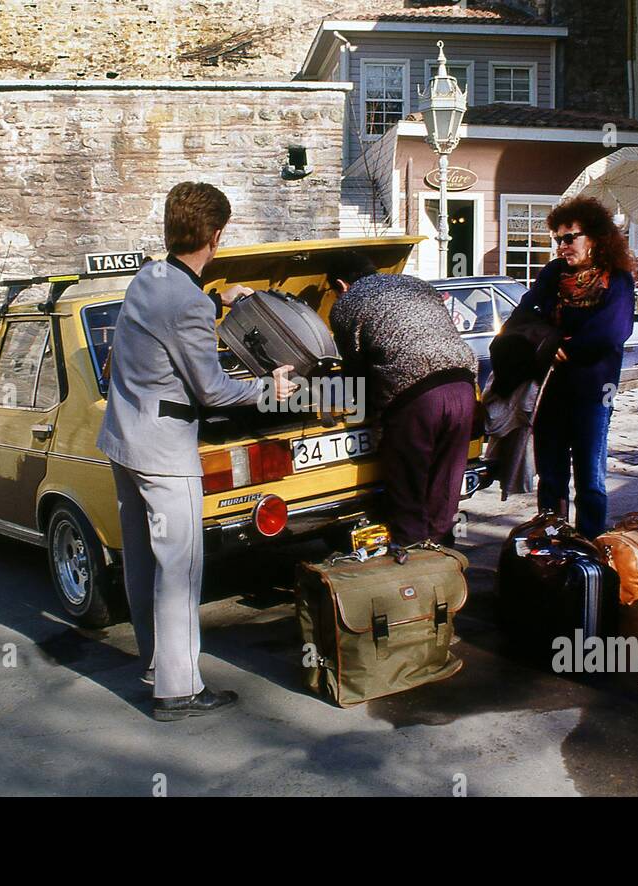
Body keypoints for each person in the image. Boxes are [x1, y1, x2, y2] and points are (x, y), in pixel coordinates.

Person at [97, 181, 294, 720]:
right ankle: (178, 691)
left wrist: (218, 298)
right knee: (179, 569)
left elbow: (173, 311)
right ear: (216, 234)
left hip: (124, 440)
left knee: (142, 563)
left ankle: (155, 664)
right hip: (164, 453)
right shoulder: (185, 301)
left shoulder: (150, 277)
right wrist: (267, 391)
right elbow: (212, 391)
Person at [503, 196, 636, 539]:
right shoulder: (552, 275)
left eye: (569, 237)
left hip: (593, 391)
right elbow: (520, 318)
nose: (562, 246)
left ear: (594, 237)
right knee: (551, 475)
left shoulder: (616, 279)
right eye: (557, 239)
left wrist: (566, 347)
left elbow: (613, 332)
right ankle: (552, 542)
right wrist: (549, 343)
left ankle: (590, 547)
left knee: (591, 478)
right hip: (550, 389)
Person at [326, 252, 478, 546]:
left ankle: (413, 566)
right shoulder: (415, 284)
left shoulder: (347, 304)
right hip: (462, 386)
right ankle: (444, 565)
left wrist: (363, 413)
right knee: (444, 489)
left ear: (342, 285)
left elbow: (356, 373)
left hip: (417, 398)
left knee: (409, 493)